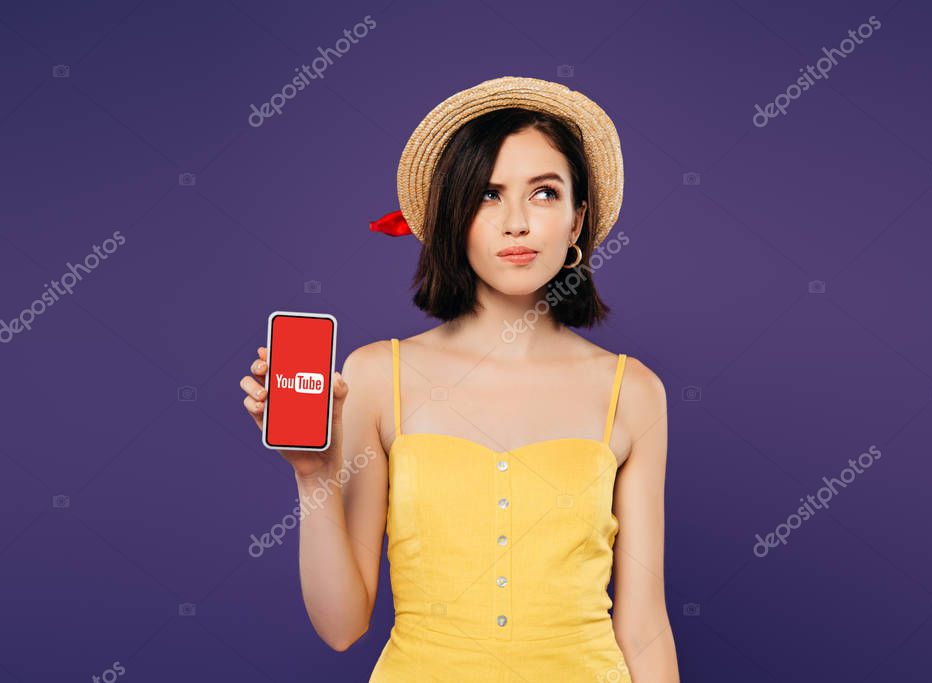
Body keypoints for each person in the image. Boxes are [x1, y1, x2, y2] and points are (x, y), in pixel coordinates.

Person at [240, 76, 679, 682]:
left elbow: (644, 625)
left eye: (545, 193)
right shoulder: (376, 375)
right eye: (488, 195)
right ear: (454, 217)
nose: (518, 223)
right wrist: (313, 475)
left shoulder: (633, 393)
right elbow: (342, 628)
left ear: (577, 220)